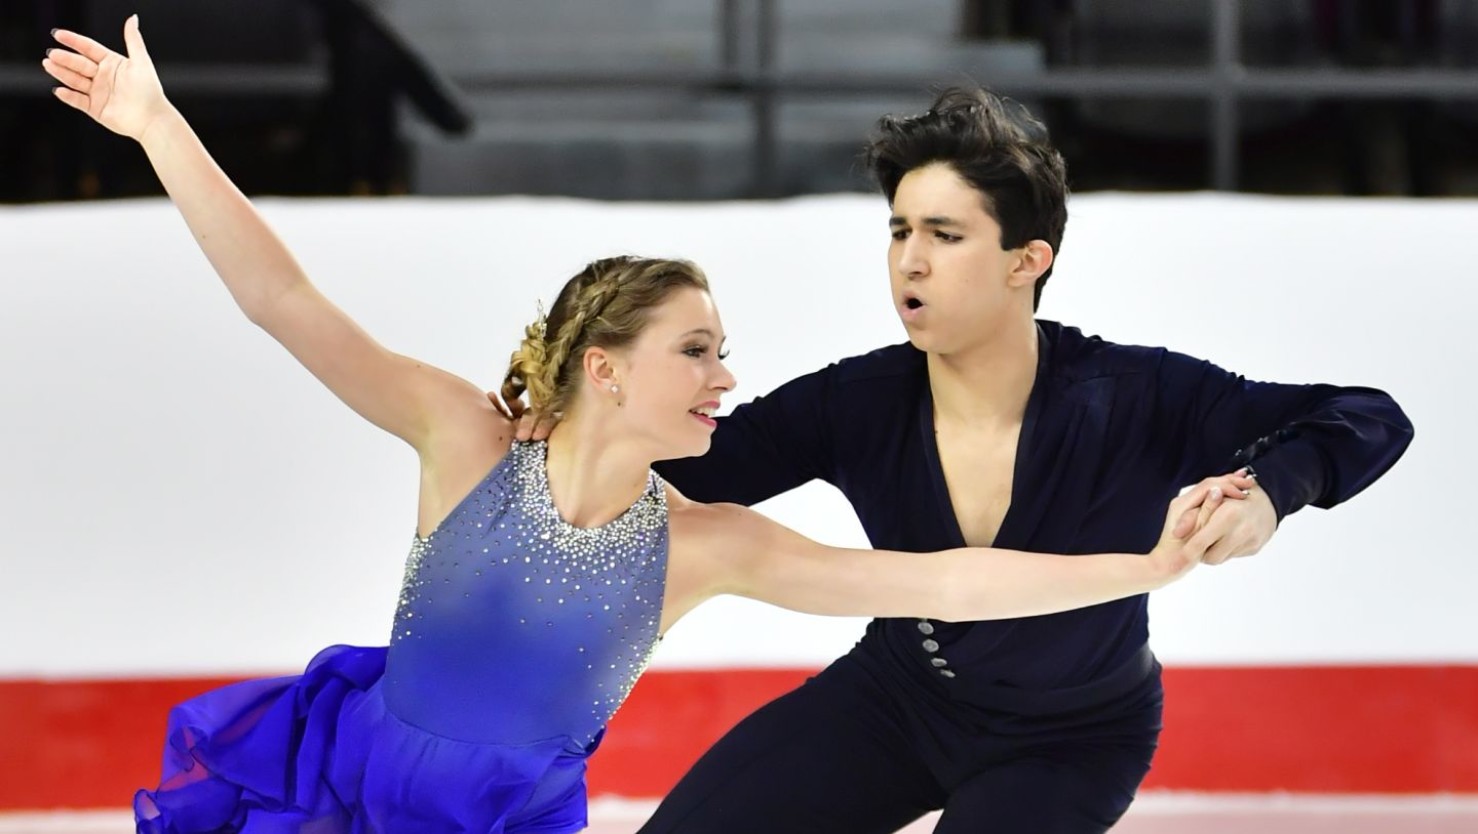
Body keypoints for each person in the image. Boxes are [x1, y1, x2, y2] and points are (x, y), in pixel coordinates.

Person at [42, 19, 1249, 834]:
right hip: (350, 775)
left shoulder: (705, 544)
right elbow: (281, 299)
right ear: (605, 368)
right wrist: (157, 128)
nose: (725, 379)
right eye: (696, 351)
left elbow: (945, 576)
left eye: (720, 351)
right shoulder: (462, 439)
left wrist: (1139, 569)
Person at [598, 88, 1413, 833]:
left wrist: (1270, 493)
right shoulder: (856, 402)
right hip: (899, 700)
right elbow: (687, 472)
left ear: (1027, 260)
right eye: (899, 230)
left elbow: (1366, 415)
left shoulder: (1136, 394)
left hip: (1075, 737)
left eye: (944, 236)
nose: (909, 261)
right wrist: (586, 414)